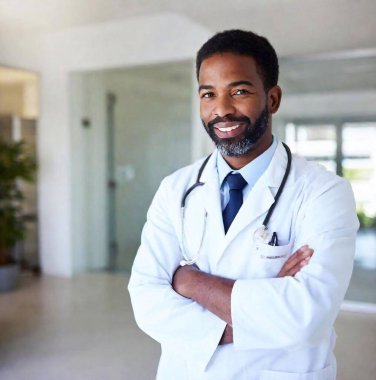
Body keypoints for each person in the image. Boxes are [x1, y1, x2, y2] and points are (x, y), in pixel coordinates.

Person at [128, 29, 358, 380]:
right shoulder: (176, 189)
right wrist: (261, 311)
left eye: (239, 91)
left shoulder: (324, 192)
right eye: (208, 94)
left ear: (273, 98)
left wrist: (190, 283)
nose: (222, 109)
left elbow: (305, 316)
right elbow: (146, 298)